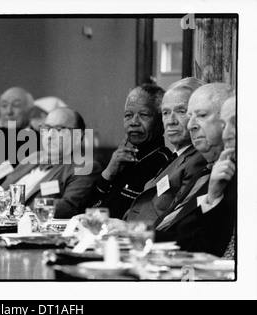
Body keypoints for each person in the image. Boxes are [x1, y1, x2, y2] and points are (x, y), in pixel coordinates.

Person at [154, 84, 235, 258]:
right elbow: (188, 234)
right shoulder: (207, 170)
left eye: (202, 115)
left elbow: (207, 246)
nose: (190, 125)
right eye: (190, 116)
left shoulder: (232, 174)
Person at [123, 77, 208, 223]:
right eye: (166, 113)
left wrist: (126, 229)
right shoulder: (176, 156)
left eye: (181, 111)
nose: (171, 121)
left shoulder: (198, 160)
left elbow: (173, 221)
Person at [85, 83, 172, 219]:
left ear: (161, 121)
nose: (133, 122)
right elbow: (84, 211)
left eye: (143, 115)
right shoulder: (123, 159)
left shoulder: (164, 163)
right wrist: (109, 172)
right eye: (128, 115)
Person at [1, 108, 102, 219]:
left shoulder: (85, 166)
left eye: (59, 129)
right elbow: (1, 190)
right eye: (47, 128)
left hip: (34, 228)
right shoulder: (34, 157)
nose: (49, 136)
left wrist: (22, 210)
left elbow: (68, 206)